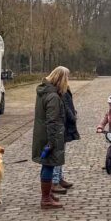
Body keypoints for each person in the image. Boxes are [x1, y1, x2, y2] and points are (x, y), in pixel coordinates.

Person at [32, 66, 70, 209]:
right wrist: (52, 142)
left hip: (42, 134)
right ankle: (46, 198)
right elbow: (52, 121)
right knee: (48, 165)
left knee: (46, 164)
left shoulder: (44, 92)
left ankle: (47, 194)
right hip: (49, 136)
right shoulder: (53, 97)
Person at [51, 85, 80, 194]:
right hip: (60, 126)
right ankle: (54, 182)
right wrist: (72, 117)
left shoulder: (63, 89)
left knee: (61, 154)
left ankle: (59, 178)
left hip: (63, 125)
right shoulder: (59, 91)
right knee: (58, 154)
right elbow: (65, 107)